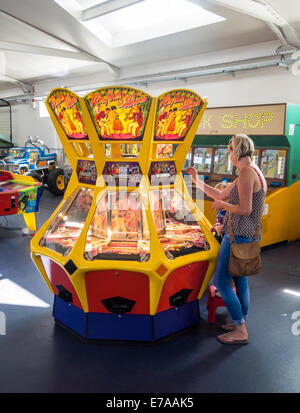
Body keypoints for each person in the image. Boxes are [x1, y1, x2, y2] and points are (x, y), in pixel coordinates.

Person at [186, 134, 267, 345]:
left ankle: (240, 330)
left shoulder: (247, 173)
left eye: (230, 151)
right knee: (240, 279)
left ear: (237, 151)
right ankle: (241, 322)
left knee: (221, 281)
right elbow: (220, 195)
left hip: (239, 234)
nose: (228, 155)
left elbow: (244, 209)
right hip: (245, 234)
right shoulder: (249, 171)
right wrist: (196, 181)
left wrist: (224, 208)